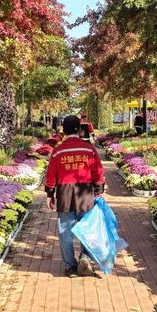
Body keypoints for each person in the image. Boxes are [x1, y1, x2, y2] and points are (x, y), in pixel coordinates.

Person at [45, 115, 105, 277]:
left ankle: (70, 267)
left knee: (65, 231)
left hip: (65, 194)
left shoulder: (58, 151)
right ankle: (85, 257)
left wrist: (50, 194)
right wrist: (98, 189)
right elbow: (97, 171)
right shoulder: (88, 149)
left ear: (63, 130)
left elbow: (51, 175)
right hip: (85, 192)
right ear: (79, 129)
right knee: (88, 228)